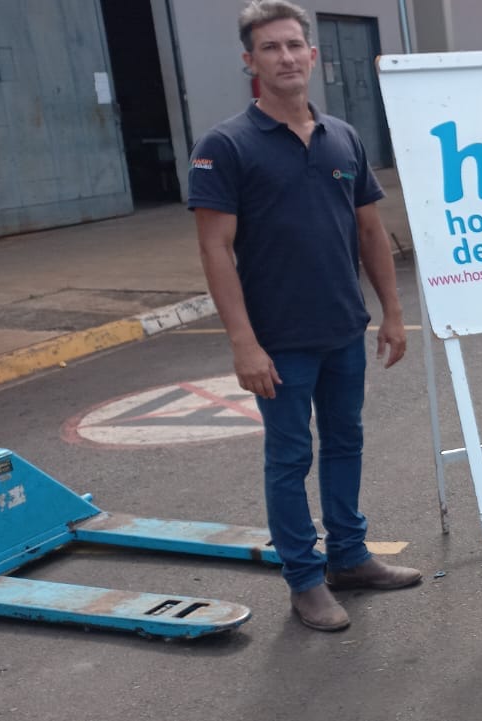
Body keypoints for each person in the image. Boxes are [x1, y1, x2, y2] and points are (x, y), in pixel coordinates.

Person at [187, 0, 420, 632]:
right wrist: (244, 343)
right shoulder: (226, 145)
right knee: (290, 458)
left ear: (312, 55)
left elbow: (370, 232)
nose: (286, 57)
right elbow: (215, 248)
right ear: (250, 61)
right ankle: (305, 580)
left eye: (294, 45)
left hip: (343, 327)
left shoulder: (342, 136)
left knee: (345, 442)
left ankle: (350, 557)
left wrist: (392, 313)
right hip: (278, 340)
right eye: (271, 48)